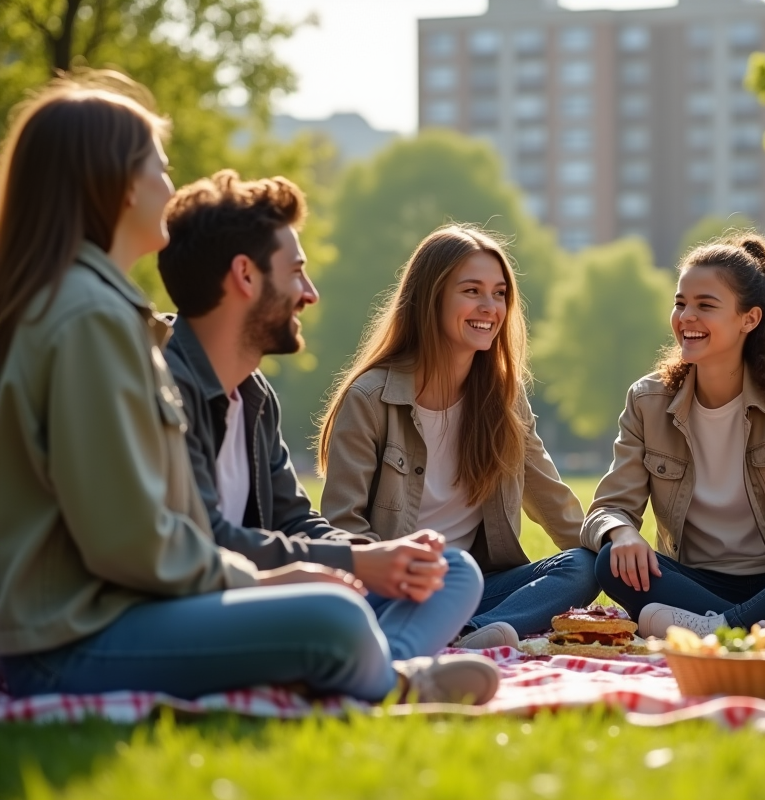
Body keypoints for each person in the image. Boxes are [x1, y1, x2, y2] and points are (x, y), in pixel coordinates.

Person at [0, 73, 497, 704]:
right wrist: (268, 584)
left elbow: (230, 523)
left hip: (114, 615)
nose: (168, 186)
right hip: (78, 637)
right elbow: (133, 541)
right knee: (331, 618)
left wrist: (360, 560)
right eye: (159, 167)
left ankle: (375, 671)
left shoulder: (97, 313)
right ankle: (391, 680)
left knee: (435, 576)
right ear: (119, 185)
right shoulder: (88, 320)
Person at [157, 170, 485, 664]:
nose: (310, 293)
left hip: (278, 587)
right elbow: (209, 541)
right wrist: (355, 560)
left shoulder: (255, 394)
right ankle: (391, 669)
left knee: (454, 570)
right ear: (246, 276)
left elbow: (293, 517)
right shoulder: (164, 386)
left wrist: (374, 555)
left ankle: (384, 664)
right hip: (213, 597)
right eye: (296, 272)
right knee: (333, 612)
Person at [316, 224, 599, 648]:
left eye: (500, 293)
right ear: (432, 298)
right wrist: (401, 577)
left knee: (581, 566)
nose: (490, 307)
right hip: (396, 587)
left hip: (477, 589)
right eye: (472, 291)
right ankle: (450, 629)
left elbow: (551, 499)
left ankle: (472, 633)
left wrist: (610, 560)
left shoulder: (504, 398)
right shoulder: (370, 397)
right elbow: (343, 526)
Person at [583, 234, 765, 638]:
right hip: (696, 581)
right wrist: (623, 532)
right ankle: (759, 629)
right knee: (612, 559)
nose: (686, 317)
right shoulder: (647, 400)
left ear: (749, 319)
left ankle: (720, 628)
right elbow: (608, 508)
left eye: (705, 305)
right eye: (680, 304)